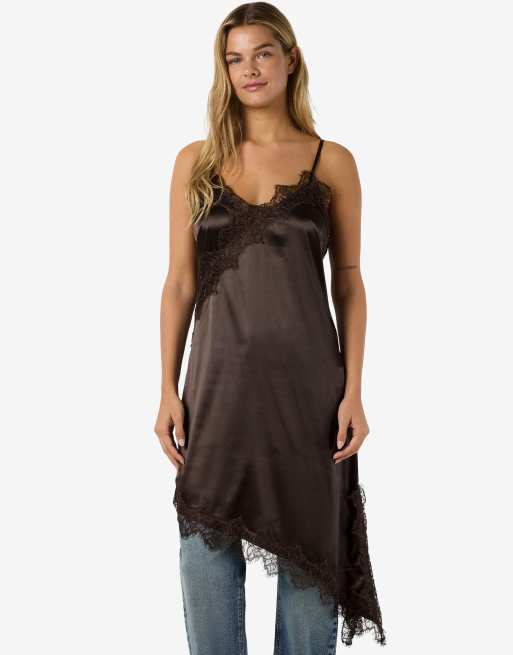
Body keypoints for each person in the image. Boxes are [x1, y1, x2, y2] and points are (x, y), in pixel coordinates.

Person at [154, 3, 386, 653]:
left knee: (310, 564)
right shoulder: (196, 162)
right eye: (235, 59)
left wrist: (354, 391)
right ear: (223, 71)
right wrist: (167, 388)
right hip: (215, 390)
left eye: (262, 53)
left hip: (309, 395)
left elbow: (348, 281)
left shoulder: (331, 161)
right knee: (205, 550)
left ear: (290, 59)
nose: (249, 69)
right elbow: (178, 283)